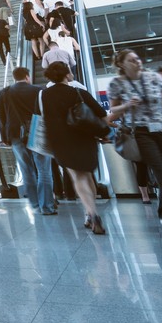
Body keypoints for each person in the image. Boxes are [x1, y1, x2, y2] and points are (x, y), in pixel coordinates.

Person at [108, 50, 162, 229]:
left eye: (137, 58)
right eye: (131, 60)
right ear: (122, 64)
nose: (137, 62)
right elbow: (114, 112)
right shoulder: (117, 84)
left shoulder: (155, 78)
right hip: (142, 132)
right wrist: (127, 105)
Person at [42, 61, 110, 234]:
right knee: (88, 175)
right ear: (67, 75)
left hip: (61, 142)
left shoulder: (43, 95)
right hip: (84, 139)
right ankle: (91, 212)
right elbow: (101, 114)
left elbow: (41, 119)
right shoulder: (79, 92)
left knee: (77, 177)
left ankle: (91, 213)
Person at [0, 67, 54, 215]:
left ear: (15, 77)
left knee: (26, 170)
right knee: (44, 170)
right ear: (28, 77)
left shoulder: (4, 92)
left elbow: (2, 117)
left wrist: (5, 138)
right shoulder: (39, 90)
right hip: (38, 132)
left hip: (16, 135)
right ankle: (47, 206)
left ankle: (35, 203)